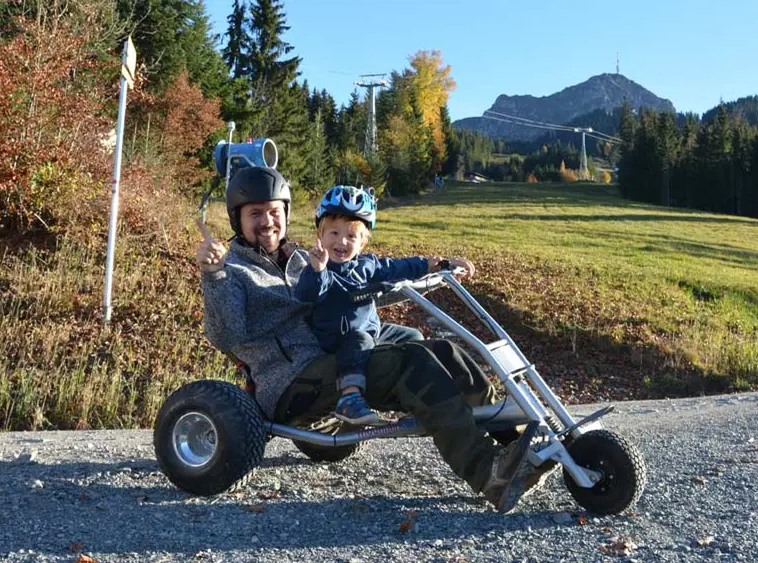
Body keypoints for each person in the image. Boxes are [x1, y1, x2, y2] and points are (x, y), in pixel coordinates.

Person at [196, 165, 557, 514]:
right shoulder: (233, 271)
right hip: (291, 380)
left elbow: (357, 290)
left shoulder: (304, 259)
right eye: (255, 213)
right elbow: (226, 335)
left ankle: (519, 442)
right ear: (237, 219)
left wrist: (435, 271)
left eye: (274, 211)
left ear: (286, 214)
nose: (267, 221)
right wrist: (213, 274)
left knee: (444, 351)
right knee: (412, 363)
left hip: (332, 360)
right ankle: (487, 472)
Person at [295, 185, 434, 426]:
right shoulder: (320, 270)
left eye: (351, 236)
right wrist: (317, 270)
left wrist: (431, 264)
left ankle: (412, 398)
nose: (342, 241)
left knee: (413, 336)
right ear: (321, 235)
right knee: (359, 339)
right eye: (334, 233)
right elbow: (307, 293)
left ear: (362, 243)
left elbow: (396, 267)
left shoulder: (366, 265)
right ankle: (349, 398)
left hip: (370, 331)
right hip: (335, 340)